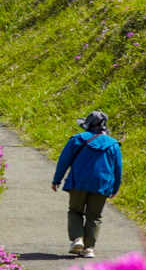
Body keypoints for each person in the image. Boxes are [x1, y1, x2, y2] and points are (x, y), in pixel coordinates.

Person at [50, 110, 123, 258]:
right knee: (94, 216)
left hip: (79, 182)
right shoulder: (113, 144)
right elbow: (118, 169)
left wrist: (57, 179)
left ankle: (78, 239)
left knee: (75, 211)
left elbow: (64, 161)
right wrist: (115, 188)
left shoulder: (77, 139)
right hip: (101, 185)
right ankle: (89, 248)